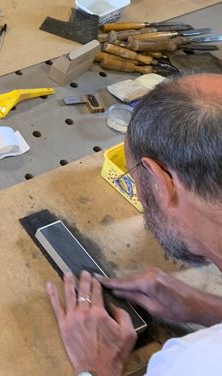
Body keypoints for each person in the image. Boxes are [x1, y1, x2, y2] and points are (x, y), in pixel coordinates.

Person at [46, 73, 222, 376]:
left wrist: (96, 367)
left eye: (135, 175)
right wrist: (208, 309)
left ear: (160, 180)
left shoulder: (191, 363)